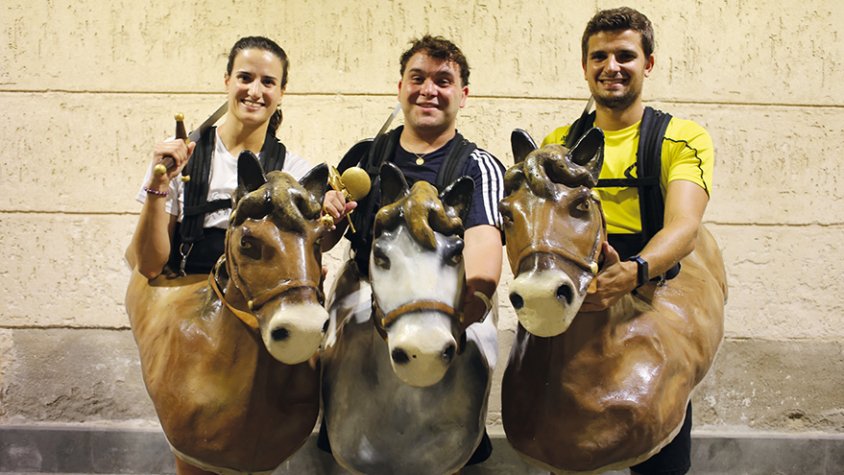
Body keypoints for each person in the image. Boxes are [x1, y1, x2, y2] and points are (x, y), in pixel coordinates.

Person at [542, 7, 714, 475]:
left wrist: (634, 271)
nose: (610, 67)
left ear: (648, 64)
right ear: (584, 66)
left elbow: (684, 226)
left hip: (650, 287)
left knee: (659, 446)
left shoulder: (681, 138)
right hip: (580, 294)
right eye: (599, 56)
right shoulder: (558, 143)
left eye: (625, 55)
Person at [320, 34, 506, 465]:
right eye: (417, 78)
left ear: (463, 94)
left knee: (478, 350)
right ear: (400, 87)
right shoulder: (364, 158)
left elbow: (483, 249)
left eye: (443, 80)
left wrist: (465, 312)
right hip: (369, 292)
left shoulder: (479, 166)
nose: (429, 90)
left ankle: (463, 440)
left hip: (449, 300)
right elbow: (326, 239)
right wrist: (327, 214)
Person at [127, 36, 314, 279]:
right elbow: (149, 266)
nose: (255, 91)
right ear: (227, 81)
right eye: (245, 78)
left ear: (281, 93)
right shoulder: (179, 158)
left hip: (254, 307)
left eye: (268, 82)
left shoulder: (294, 172)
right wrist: (157, 186)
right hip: (185, 300)